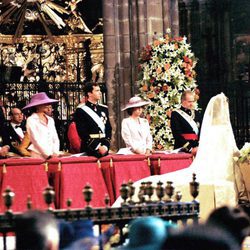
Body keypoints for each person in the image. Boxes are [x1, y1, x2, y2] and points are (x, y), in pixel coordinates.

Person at [113, 93, 241, 219]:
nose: (140, 110)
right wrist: (189, 147)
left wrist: (148, 148)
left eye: (141, 107)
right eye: (137, 107)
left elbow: (148, 137)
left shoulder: (194, 115)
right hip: (137, 151)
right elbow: (177, 134)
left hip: (155, 149)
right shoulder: (128, 122)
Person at [74, 82, 112, 158]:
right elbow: (82, 133)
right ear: (89, 93)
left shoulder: (104, 109)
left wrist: (105, 146)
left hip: (104, 148)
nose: (100, 93)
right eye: (97, 91)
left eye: (100, 90)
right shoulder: (81, 110)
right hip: (89, 149)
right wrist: (97, 146)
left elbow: (108, 128)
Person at [22, 92, 60, 160]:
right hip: (38, 154)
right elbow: (35, 139)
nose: (46, 105)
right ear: (37, 106)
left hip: (53, 154)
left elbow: (55, 138)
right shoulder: (31, 120)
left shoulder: (50, 120)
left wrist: (55, 152)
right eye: (43, 103)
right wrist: (48, 154)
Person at [171, 90, 203, 155]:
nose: (192, 104)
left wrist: (198, 147)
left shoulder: (197, 113)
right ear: (183, 101)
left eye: (193, 101)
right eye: (189, 102)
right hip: (182, 149)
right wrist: (190, 148)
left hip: (197, 149)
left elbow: (202, 131)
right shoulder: (176, 114)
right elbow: (177, 134)